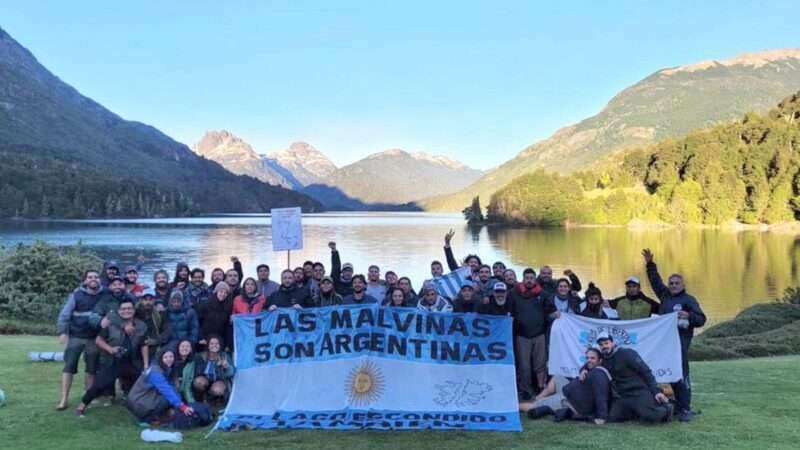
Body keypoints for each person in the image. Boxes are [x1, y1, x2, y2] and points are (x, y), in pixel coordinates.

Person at [643, 248, 706, 422]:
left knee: (681, 374)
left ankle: (685, 408)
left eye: (676, 283)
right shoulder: (665, 296)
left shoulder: (689, 300)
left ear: (683, 285)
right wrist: (650, 264)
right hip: (664, 344)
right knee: (666, 372)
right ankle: (674, 404)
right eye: (671, 283)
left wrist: (689, 316)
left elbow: (701, 319)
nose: (673, 285)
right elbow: (655, 281)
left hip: (680, 343)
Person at [75, 299, 147, 417]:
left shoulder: (141, 325)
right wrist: (110, 349)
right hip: (113, 361)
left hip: (132, 362)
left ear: (134, 310)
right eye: (123, 309)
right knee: (98, 384)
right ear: (119, 311)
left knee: (142, 384)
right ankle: (81, 407)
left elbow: (144, 345)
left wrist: (145, 364)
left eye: (129, 308)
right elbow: (98, 340)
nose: (126, 311)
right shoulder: (111, 324)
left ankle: (141, 410)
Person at [597, 332, 672, 424]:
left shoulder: (627, 353)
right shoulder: (602, 359)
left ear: (612, 343)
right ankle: (637, 412)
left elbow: (646, 372)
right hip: (623, 396)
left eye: (606, 343)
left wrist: (656, 391)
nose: (604, 346)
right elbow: (590, 363)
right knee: (612, 418)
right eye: (601, 345)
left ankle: (667, 409)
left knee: (651, 417)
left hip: (639, 392)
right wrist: (583, 370)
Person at [56, 270, 103, 410]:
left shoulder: (104, 295)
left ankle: (86, 399)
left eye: (96, 277)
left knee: (91, 369)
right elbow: (65, 314)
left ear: (99, 280)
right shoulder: (76, 295)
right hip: (76, 337)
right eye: (90, 277)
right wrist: (63, 332)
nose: (93, 279)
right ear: (85, 280)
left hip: (94, 338)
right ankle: (64, 399)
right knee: (69, 367)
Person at [510, 270, 551, 400]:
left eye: (531, 278)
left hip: (539, 334)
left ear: (535, 279)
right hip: (521, 335)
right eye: (526, 278)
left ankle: (540, 388)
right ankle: (526, 390)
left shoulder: (543, 294)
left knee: (540, 364)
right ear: (523, 279)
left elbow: (552, 311)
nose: (529, 280)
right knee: (524, 365)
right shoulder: (514, 293)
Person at [126, 349, 195, 426]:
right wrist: (182, 407)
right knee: (168, 397)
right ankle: (146, 419)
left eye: (171, 356)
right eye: (165, 357)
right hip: (138, 403)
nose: (169, 359)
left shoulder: (163, 368)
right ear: (160, 359)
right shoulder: (155, 371)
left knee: (174, 392)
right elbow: (166, 390)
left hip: (143, 398)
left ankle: (160, 415)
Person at [556, 347, 612, 424]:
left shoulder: (599, 374)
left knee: (538, 404)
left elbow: (601, 395)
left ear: (600, 361)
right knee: (557, 378)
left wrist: (602, 417)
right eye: (587, 358)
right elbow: (586, 366)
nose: (589, 360)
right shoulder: (591, 370)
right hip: (567, 394)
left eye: (592, 358)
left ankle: (537, 401)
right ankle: (539, 397)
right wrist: (583, 370)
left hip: (569, 403)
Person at [186, 335, 235, 404]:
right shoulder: (201, 356)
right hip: (205, 380)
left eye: (217, 343)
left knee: (217, 390)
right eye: (211, 343)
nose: (214, 345)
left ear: (220, 345)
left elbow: (231, 373)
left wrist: (226, 367)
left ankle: (212, 400)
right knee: (198, 382)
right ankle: (200, 399)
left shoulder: (225, 356)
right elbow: (195, 371)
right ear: (208, 345)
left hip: (219, 381)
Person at [136, 289, 171, 369]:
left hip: (154, 347)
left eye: (150, 299)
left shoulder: (160, 314)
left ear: (154, 300)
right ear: (141, 300)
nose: (148, 302)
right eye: (145, 299)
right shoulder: (135, 312)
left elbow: (167, 331)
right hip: (137, 348)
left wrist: (156, 341)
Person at [196, 282, 233, 351]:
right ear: (216, 292)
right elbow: (197, 323)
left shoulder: (228, 307)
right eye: (221, 291)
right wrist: (200, 337)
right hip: (204, 339)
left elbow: (227, 327)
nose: (223, 294)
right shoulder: (205, 304)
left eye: (226, 293)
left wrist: (227, 344)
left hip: (219, 340)